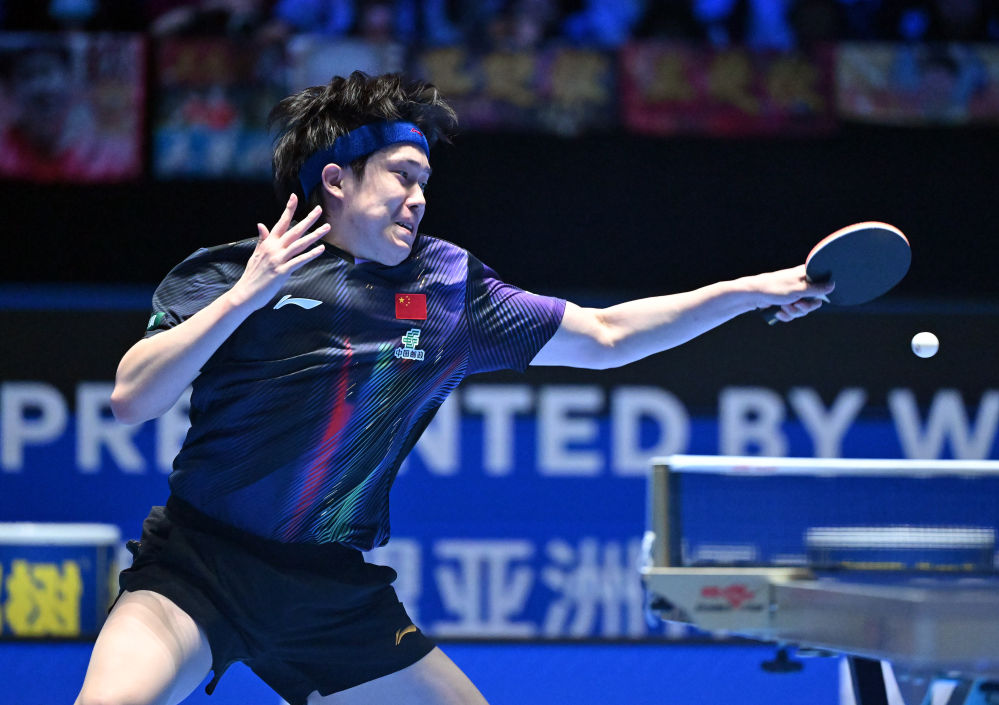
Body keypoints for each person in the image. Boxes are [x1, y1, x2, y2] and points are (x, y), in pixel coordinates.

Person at [74, 71, 832, 705]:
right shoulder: (231, 273)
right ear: (336, 180)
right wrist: (244, 298)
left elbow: (608, 336)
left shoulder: (448, 290)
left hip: (328, 589)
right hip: (198, 566)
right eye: (402, 176)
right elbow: (132, 398)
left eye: (425, 182)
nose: (418, 197)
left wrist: (751, 291)